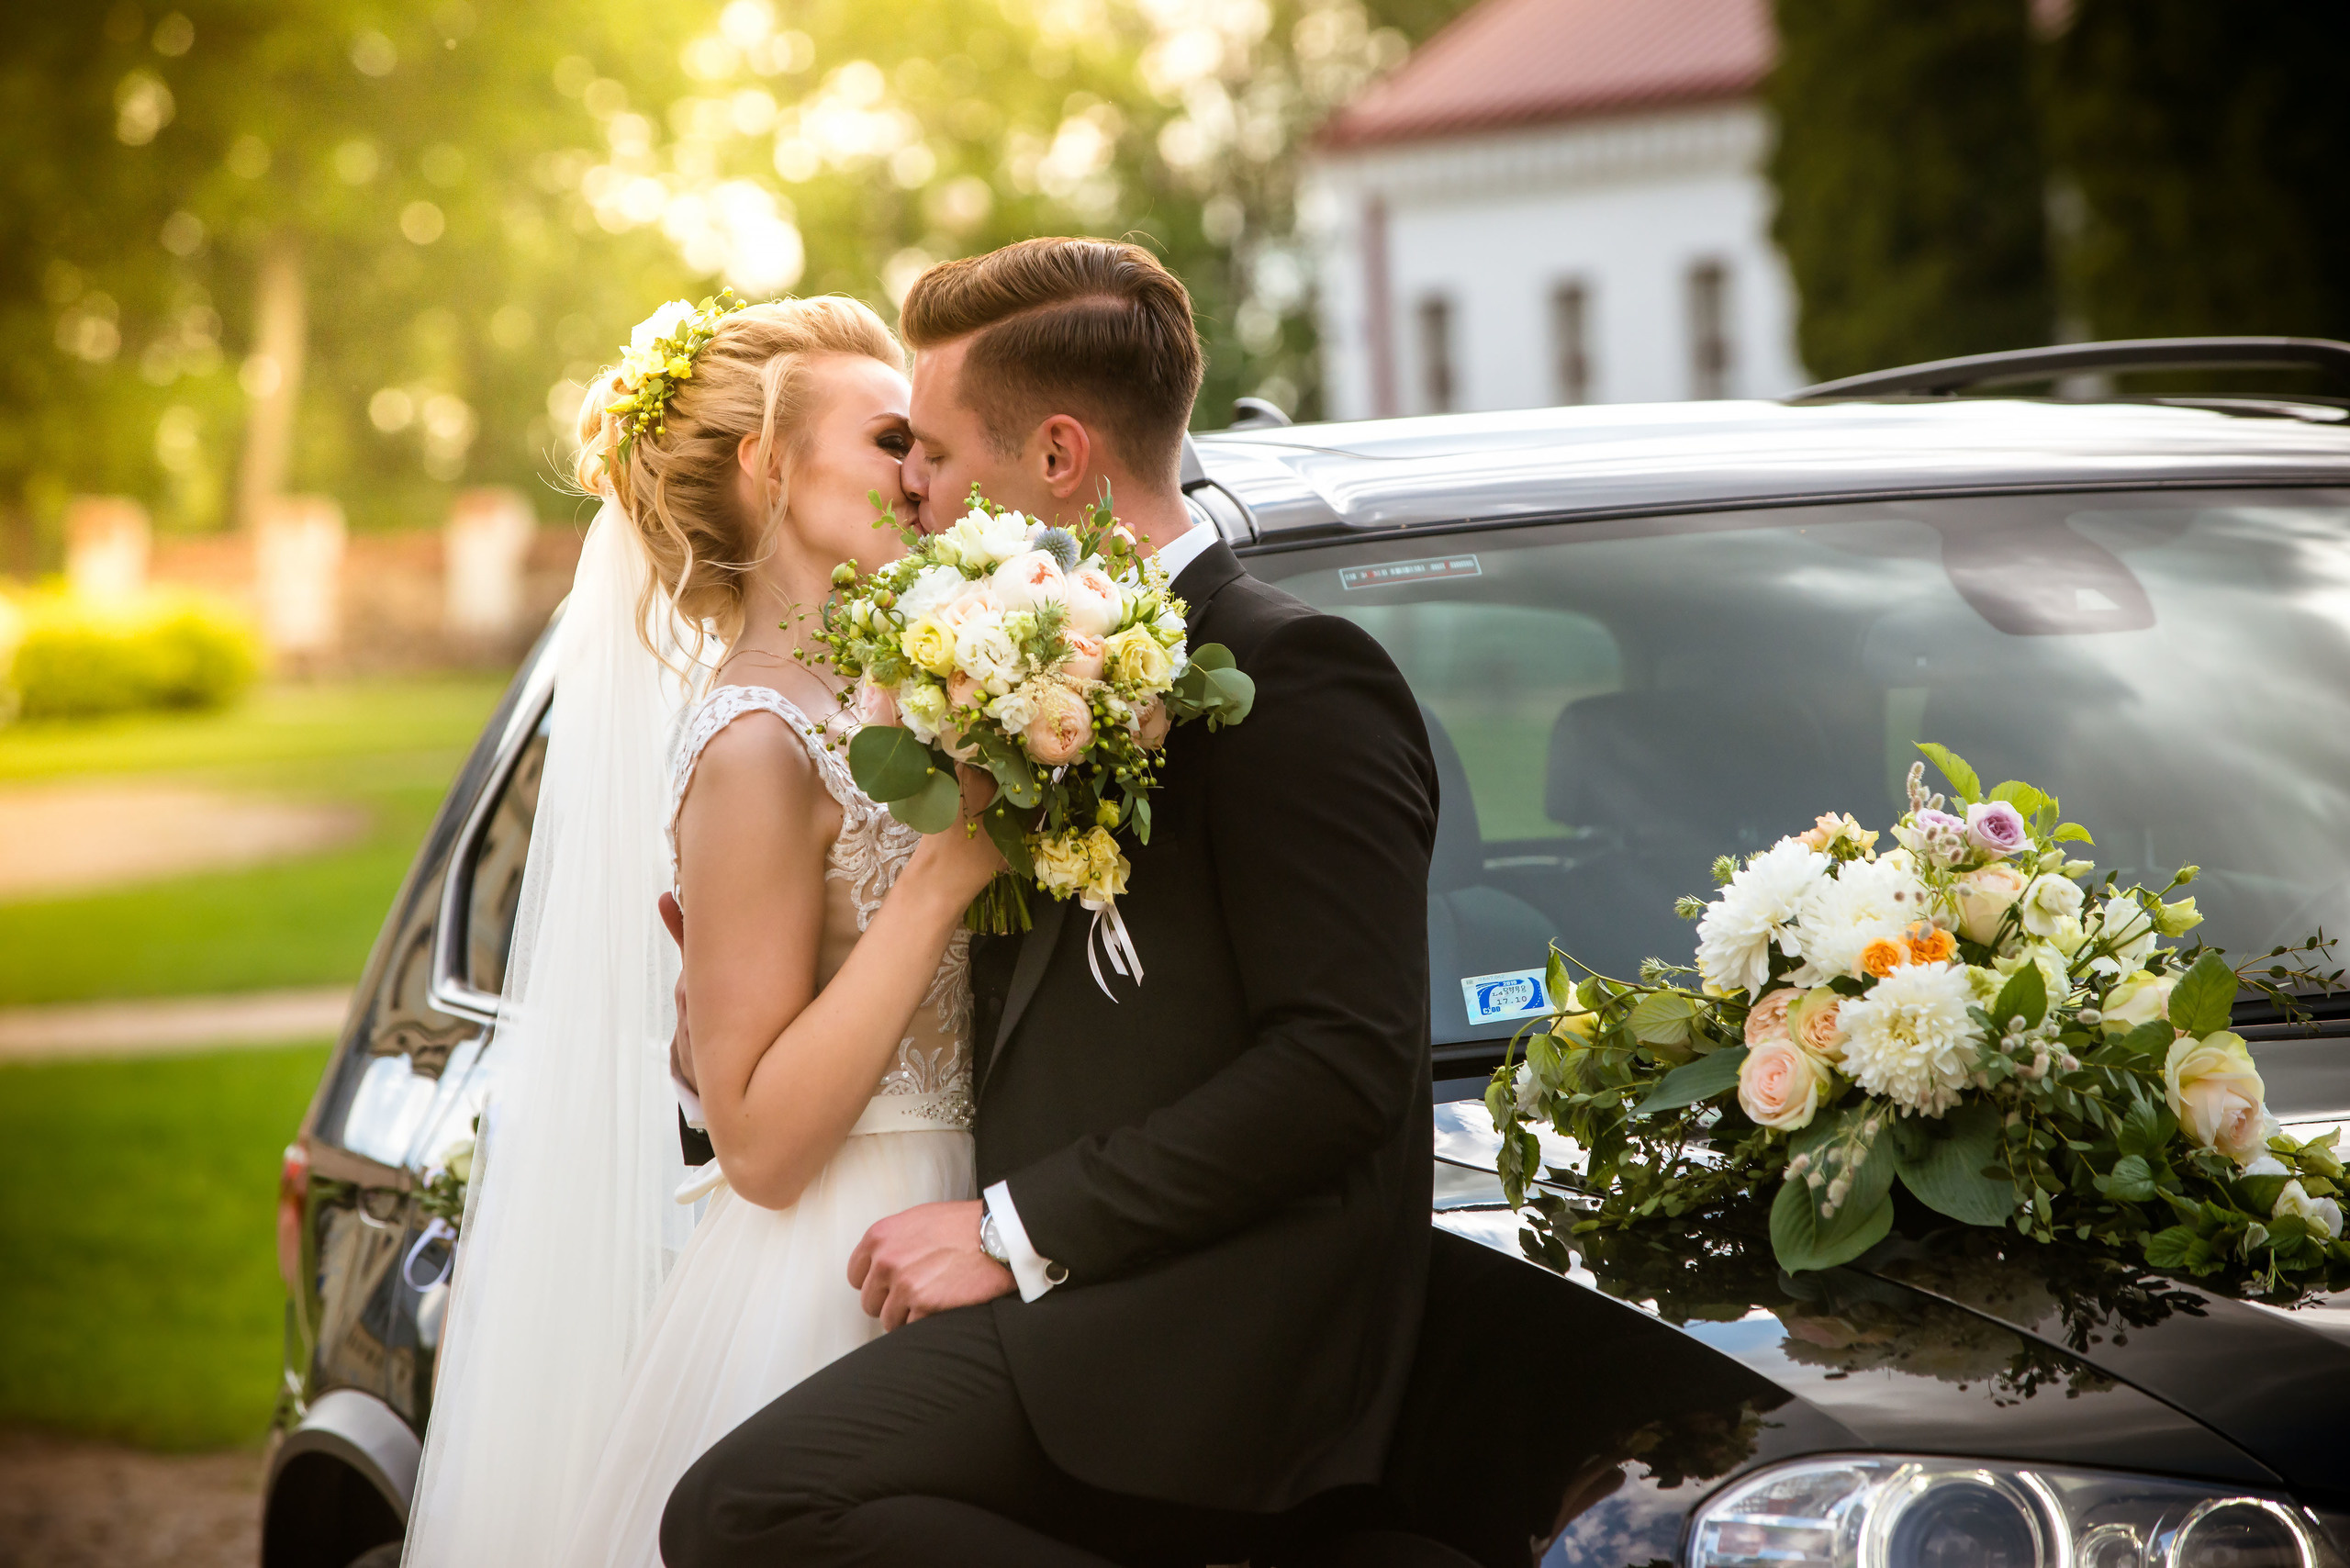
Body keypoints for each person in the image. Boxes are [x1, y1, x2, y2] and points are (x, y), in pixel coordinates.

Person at [661, 239, 1441, 1566]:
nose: (914, 486)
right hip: (1040, 1299)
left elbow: (1342, 1062)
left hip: (1196, 1329)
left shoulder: (1292, 678)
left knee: (748, 1510)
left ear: (1062, 456)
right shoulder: (1002, 677)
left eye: (935, 452)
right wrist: (733, 1034)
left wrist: (1011, 1231)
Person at [401, 294, 1004, 1567]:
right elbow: (762, 1144)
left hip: (974, 1218)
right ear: (769, 465)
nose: (924, 471)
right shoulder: (753, 742)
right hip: (843, 1261)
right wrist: (941, 881)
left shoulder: (917, 685)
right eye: (891, 439)